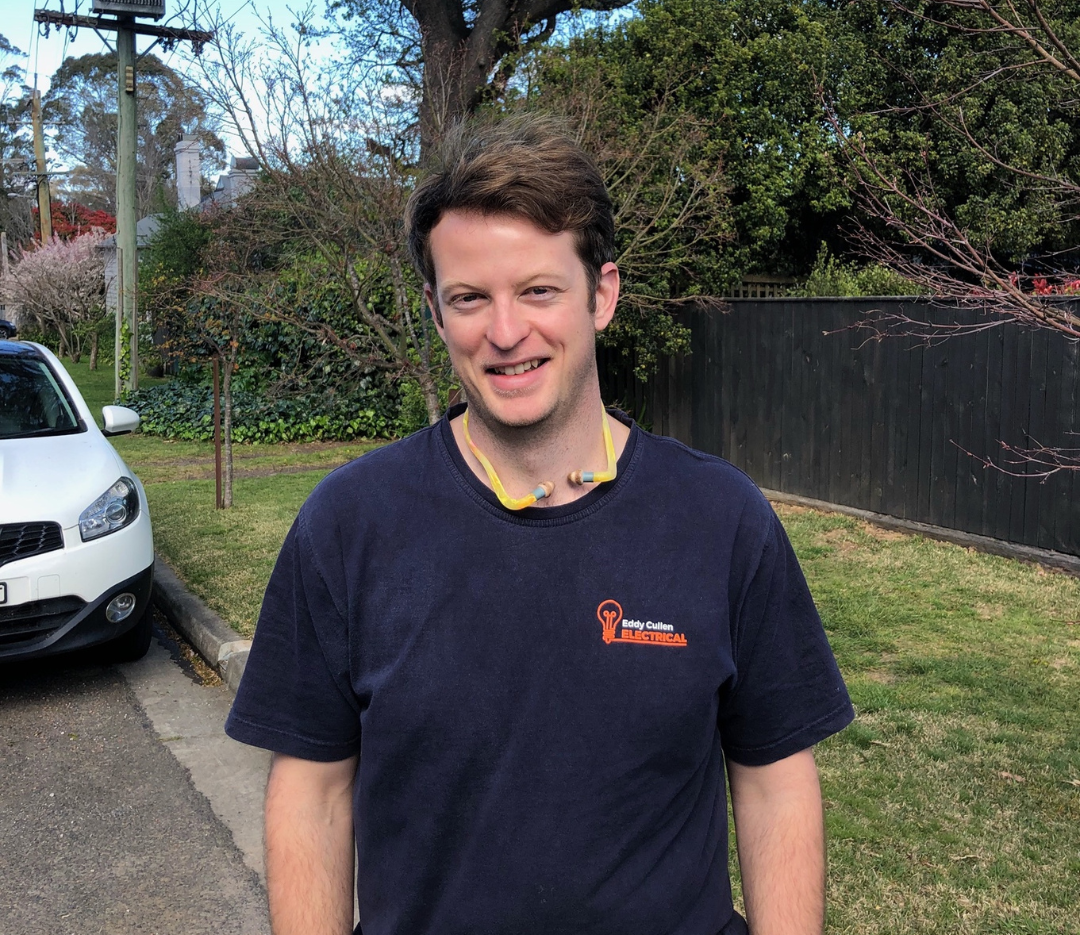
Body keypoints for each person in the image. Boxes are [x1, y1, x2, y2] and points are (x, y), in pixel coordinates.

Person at [225, 116, 854, 935]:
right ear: (435, 310)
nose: (506, 331)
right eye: (469, 298)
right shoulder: (347, 527)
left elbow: (774, 783)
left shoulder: (722, 521)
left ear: (603, 295)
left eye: (538, 291)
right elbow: (313, 793)